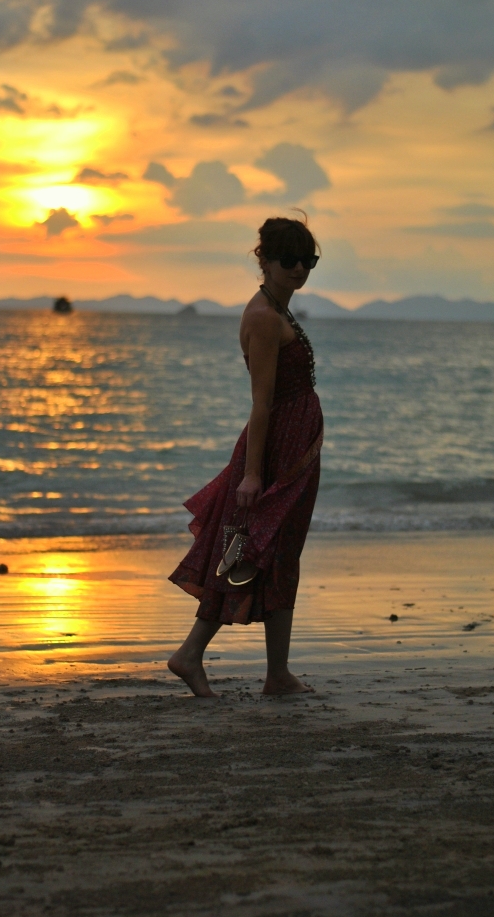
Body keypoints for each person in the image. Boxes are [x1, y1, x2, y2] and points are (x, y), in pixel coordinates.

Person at [167, 215, 323, 697]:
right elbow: (262, 401)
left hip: (294, 453)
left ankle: (278, 674)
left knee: (280, 557)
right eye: (289, 259)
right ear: (265, 260)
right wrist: (253, 474)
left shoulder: (280, 310)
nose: (299, 268)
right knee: (246, 551)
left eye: (308, 260)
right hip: (273, 456)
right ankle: (190, 655)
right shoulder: (262, 318)